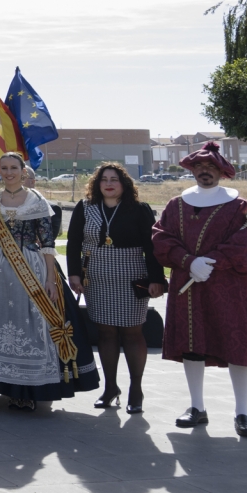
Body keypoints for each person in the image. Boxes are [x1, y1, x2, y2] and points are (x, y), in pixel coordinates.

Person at [0, 152, 99, 411]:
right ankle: (3, 385)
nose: (9, 172)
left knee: (29, 327)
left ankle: (28, 389)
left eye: (14, 167)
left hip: (31, 268)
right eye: (4, 168)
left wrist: (50, 278)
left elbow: (48, 244)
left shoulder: (37, 200)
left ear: (23, 170)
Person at [152, 140, 247, 438]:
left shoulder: (239, 206)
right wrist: (188, 261)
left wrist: (212, 261)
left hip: (229, 288)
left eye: (211, 167)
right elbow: (161, 238)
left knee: (235, 347)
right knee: (193, 346)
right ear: (192, 169)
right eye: (199, 167)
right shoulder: (176, 205)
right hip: (189, 288)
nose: (205, 172)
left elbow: (245, 246)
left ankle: (242, 412)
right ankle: (197, 407)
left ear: (221, 171)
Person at [68, 163, 166, 414]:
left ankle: (136, 389)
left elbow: (151, 246)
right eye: (103, 179)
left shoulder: (139, 209)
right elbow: (74, 242)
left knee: (132, 333)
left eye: (115, 179)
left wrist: (157, 278)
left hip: (131, 275)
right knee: (105, 333)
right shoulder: (85, 207)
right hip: (97, 277)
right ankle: (110, 388)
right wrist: (74, 273)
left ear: (124, 184)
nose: (109, 184)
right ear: (97, 183)